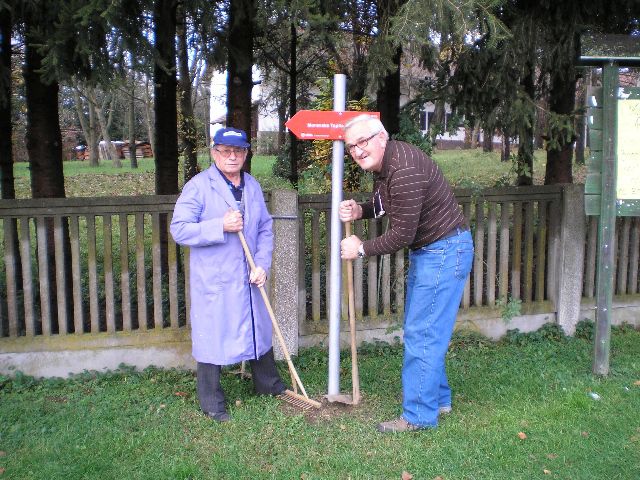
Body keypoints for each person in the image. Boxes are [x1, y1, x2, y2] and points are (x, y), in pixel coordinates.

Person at [339, 115, 474, 433]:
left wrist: (360, 248)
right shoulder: (385, 166)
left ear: (381, 137)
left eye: (363, 142)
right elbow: (385, 204)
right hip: (435, 251)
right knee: (425, 330)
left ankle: (418, 416)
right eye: (352, 147)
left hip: (443, 251)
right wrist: (362, 210)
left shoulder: (403, 169)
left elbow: (402, 234)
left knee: (422, 333)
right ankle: (438, 400)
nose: (358, 151)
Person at [170, 127, 285, 422]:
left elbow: (264, 228)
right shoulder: (198, 187)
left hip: (250, 275)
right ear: (214, 153)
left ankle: (268, 385)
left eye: (238, 151)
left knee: (259, 326)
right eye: (225, 151)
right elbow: (179, 229)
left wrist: (262, 264)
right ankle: (212, 403)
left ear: (246, 154)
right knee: (214, 335)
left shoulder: (252, 186)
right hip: (216, 280)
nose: (232, 156)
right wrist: (219, 225)